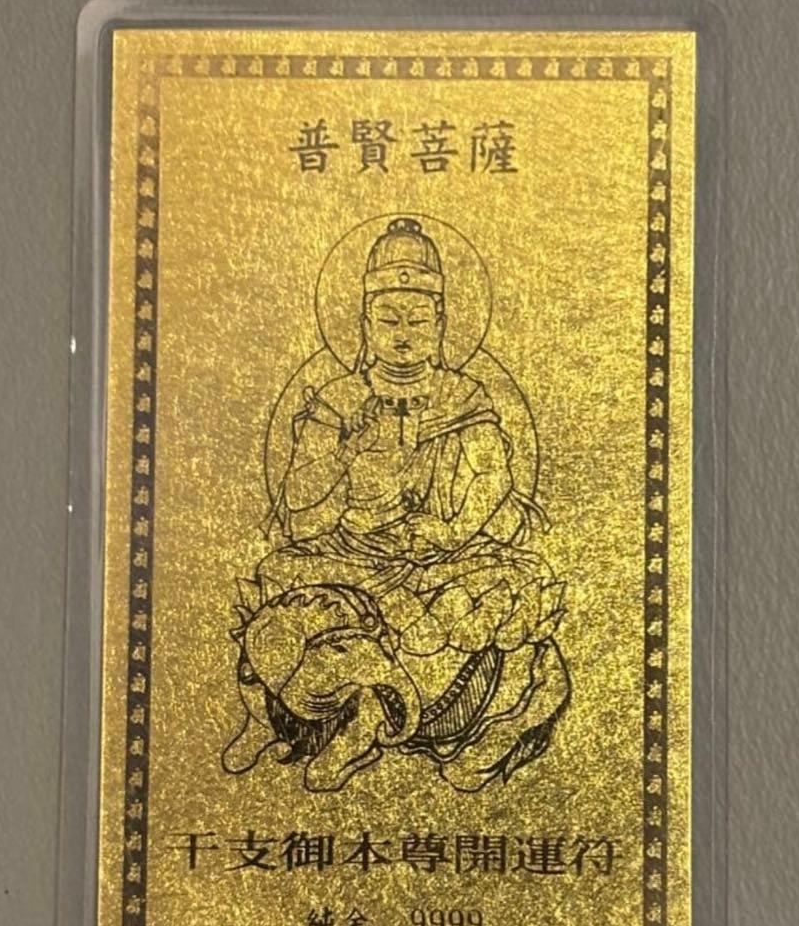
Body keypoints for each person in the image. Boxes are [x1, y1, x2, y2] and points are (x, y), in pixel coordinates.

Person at [226, 217, 568, 791]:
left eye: (417, 320)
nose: (402, 334)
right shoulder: (338, 400)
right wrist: (343, 451)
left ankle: (369, 721)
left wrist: (450, 532)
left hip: (442, 554)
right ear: (365, 324)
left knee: (514, 582)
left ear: (441, 324)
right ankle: (271, 721)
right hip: (351, 552)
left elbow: (492, 477)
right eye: (388, 320)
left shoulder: (464, 397)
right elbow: (300, 502)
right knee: (279, 571)